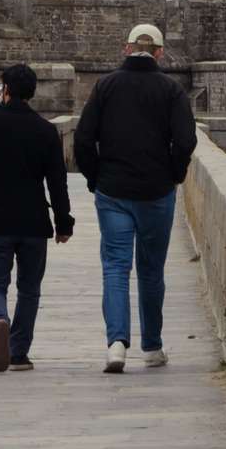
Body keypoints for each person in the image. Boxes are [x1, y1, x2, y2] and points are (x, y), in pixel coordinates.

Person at [74, 22, 197, 374]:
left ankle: (116, 344)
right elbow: (186, 140)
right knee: (150, 270)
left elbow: (83, 139)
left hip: (113, 190)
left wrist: (96, 177)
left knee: (115, 266)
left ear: (127, 49)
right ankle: (153, 347)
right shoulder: (171, 89)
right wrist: (174, 174)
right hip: (156, 192)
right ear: (159, 52)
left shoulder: (105, 86)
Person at [0, 63, 74, 371]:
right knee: (29, 289)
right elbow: (57, 182)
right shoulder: (46, 131)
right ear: (31, 92)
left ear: (5, 89)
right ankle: (18, 353)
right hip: (34, 221)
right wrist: (63, 223)